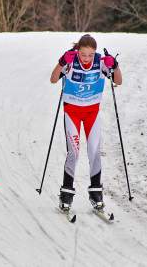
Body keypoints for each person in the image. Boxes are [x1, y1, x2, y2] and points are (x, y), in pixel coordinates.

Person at [50, 34, 122, 211]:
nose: (87, 58)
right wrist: (61, 63)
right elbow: (53, 79)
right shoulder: (71, 60)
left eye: (90, 55)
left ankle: (96, 192)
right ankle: (66, 193)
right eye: (83, 54)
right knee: (74, 152)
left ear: (95, 53)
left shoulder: (100, 62)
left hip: (92, 113)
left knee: (94, 151)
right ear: (78, 51)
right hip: (72, 111)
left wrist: (115, 66)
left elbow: (118, 81)